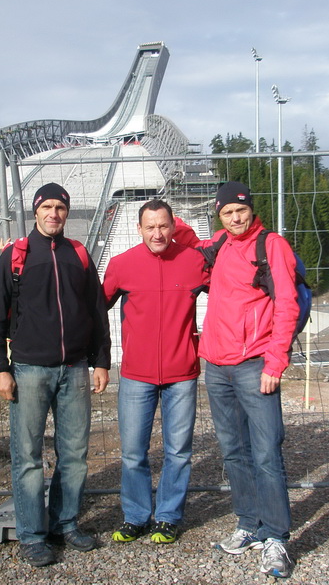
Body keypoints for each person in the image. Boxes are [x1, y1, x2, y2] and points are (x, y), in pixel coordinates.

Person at [0, 182, 111, 567]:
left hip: (74, 368)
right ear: (36, 211)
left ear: (66, 212)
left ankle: (64, 523)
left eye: (60, 207)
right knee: (28, 457)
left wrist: (101, 361)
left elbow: (97, 310)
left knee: (74, 454)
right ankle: (32, 534)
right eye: (47, 207)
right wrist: (0, 368)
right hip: (29, 369)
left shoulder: (78, 254)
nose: (54, 213)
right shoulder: (17, 255)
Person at [198, 181, 296, 579]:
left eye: (241, 210)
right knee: (233, 451)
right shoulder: (219, 243)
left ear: (251, 210)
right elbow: (184, 238)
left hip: (255, 364)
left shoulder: (271, 246)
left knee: (267, 452)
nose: (236, 218)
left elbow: (286, 304)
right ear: (219, 215)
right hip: (217, 365)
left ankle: (276, 537)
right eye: (227, 212)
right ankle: (249, 523)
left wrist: (276, 362)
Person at [102, 200, 208, 545]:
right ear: (139, 229)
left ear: (174, 226)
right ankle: (135, 516)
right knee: (133, 453)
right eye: (150, 227)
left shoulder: (194, 262)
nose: (157, 233)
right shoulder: (122, 265)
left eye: (163, 226)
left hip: (182, 373)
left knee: (179, 451)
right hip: (137, 374)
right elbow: (92, 307)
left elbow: (232, 294)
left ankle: (168, 517)